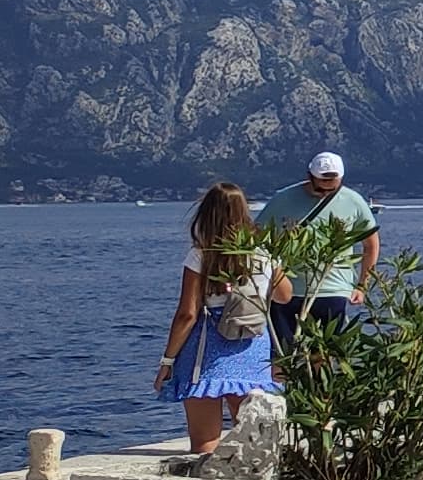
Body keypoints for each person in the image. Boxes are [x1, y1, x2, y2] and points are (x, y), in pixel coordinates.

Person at [155, 183, 289, 456]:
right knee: (254, 444)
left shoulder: (201, 255)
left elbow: (187, 314)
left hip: (207, 352)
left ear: (206, 215)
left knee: (205, 445)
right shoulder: (264, 254)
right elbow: (285, 296)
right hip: (253, 350)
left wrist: (167, 362)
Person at [254, 151, 381, 343]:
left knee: (322, 353)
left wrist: (362, 286)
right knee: (282, 354)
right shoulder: (283, 199)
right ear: (309, 177)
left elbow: (370, 245)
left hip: (332, 288)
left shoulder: (353, 201)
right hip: (287, 290)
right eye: (321, 190)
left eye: (332, 191)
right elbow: (256, 235)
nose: (325, 195)